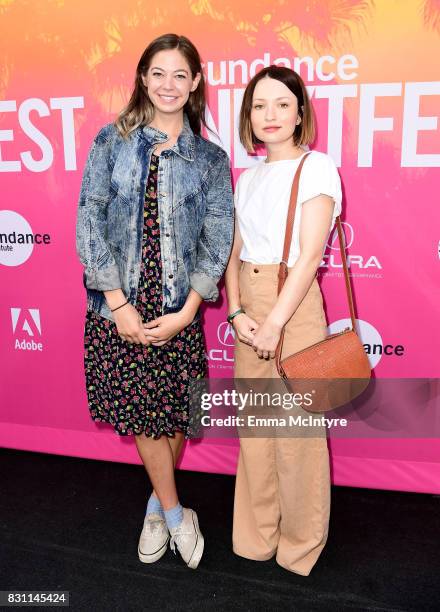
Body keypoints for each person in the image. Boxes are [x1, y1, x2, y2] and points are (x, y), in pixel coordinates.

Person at [75, 33, 234, 570]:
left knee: (169, 415)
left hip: (178, 306)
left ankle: (154, 503)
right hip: (119, 309)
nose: (169, 85)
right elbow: (89, 221)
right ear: (143, 77)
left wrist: (190, 310)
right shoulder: (109, 142)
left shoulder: (210, 159)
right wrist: (118, 305)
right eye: (159, 73)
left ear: (194, 85)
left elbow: (217, 238)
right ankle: (173, 514)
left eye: (180, 76)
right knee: (145, 415)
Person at [225, 65, 342, 576]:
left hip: (294, 309)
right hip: (249, 308)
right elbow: (233, 254)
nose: (269, 115)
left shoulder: (317, 168)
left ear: (299, 113)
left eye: (280, 104)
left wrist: (273, 322)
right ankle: (255, 536)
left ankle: (299, 545)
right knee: (255, 429)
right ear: (248, 116)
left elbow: (312, 254)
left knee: (297, 432)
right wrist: (234, 313)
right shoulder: (246, 178)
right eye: (258, 105)